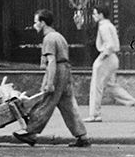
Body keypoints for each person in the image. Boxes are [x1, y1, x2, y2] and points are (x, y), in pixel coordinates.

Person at [13, 9, 91, 148]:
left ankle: (31, 133)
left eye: (36, 22)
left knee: (46, 101)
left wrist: (49, 83)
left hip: (57, 71)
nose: (34, 25)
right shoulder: (59, 36)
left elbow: (52, 61)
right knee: (67, 104)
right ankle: (82, 136)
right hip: (65, 70)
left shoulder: (48, 38)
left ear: (43, 23)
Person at [86, 5, 135, 122]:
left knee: (96, 86)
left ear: (101, 15)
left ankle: (94, 114)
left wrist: (102, 57)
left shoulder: (103, 27)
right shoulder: (110, 25)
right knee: (112, 87)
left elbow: (110, 45)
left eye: (95, 14)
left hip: (106, 58)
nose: (93, 16)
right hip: (113, 59)